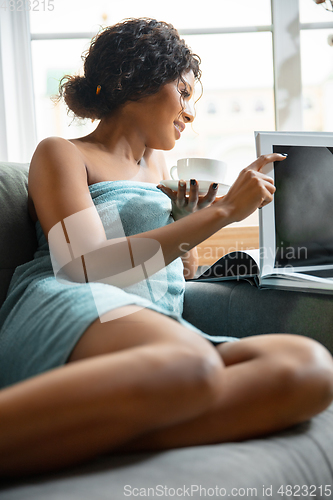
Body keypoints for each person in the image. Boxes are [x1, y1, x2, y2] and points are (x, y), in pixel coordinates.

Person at [0, 18, 332, 477]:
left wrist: (183, 224)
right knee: (192, 366)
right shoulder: (63, 152)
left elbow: (174, 273)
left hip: (149, 318)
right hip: (75, 302)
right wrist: (222, 214)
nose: (190, 112)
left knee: (307, 369)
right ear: (136, 80)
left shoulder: (158, 167)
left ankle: (76, 435)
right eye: (183, 92)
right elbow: (82, 266)